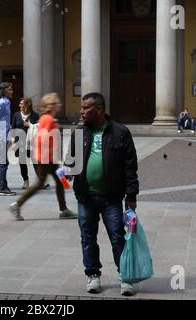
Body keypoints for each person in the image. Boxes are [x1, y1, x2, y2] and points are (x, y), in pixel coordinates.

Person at [64, 92, 139, 296]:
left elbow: (130, 166)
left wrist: (131, 196)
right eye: (81, 107)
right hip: (85, 197)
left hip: (111, 198)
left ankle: (126, 276)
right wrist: (66, 171)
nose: (81, 111)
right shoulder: (79, 133)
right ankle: (93, 275)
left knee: (117, 237)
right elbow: (70, 161)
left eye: (85, 107)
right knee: (88, 237)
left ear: (99, 110)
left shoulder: (120, 132)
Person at [9, 93, 77, 221]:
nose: (59, 105)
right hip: (45, 158)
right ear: (51, 105)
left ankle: (63, 210)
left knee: (58, 182)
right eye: (57, 103)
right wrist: (50, 154)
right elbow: (43, 138)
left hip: (46, 157)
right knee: (41, 183)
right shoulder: (48, 119)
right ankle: (17, 204)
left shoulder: (46, 118)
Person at [11, 97, 40, 189]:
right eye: (20, 104)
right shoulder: (16, 115)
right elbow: (13, 129)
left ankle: (40, 180)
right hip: (20, 143)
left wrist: (31, 125)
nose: (20, 105)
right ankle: (25, 181)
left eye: (22, 104)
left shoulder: (35, 115)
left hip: (32, 143)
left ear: (28, 105)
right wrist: (13, 142)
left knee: (36, 162)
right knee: (22, 163)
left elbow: (40, 128)